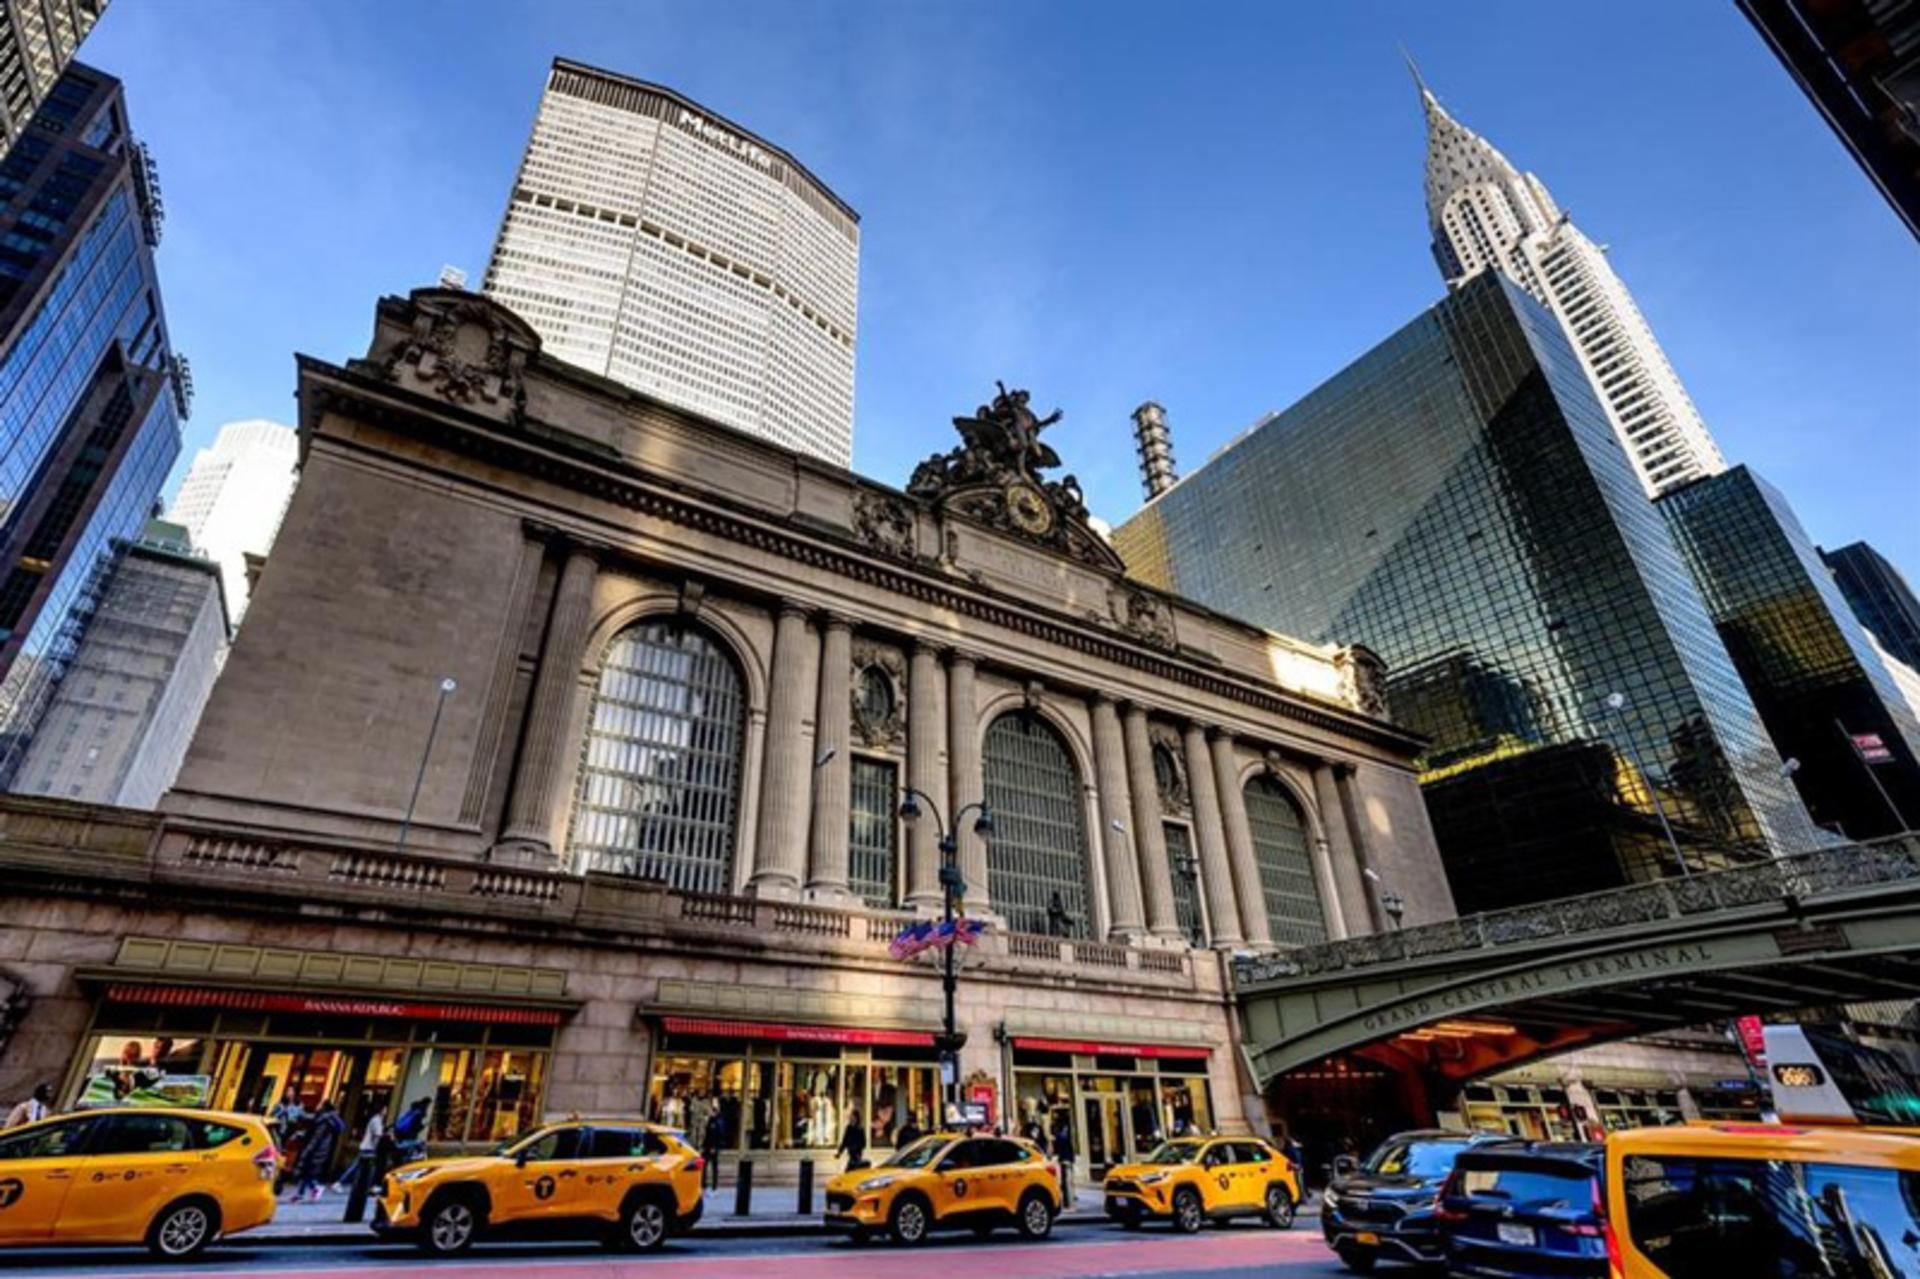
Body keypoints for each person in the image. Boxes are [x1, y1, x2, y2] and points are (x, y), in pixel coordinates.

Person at [290, 1100, 345, 1201]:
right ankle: (302, 1193)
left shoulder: (324, 1121)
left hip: (317, 1151)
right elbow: (310, 1118)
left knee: (307, 1172)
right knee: (307, 1173)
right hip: (321, 1150)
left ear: (323, 1107)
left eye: (319, 1104)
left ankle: (313, 1188)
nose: (317, 1105)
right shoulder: (324, 1118)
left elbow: (316, 1138)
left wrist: (307, 1151)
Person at [330, 1104, 387, 1195]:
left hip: (366, 1147)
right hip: (369, 1148)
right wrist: (383, 1139)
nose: (385, 1111)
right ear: (381, 1110)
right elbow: (378, 1135)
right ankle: (340, 1183)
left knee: (359, 1167)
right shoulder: (377, 1120)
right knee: (363, 1167)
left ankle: (340, 1183)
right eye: (384, 1109)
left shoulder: (375, 1119)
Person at [390, 1097, 431, 1165]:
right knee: (418, 1146)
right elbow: (416, 1128)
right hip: (409, 1137)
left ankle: (398, 1165)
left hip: (400, 1136)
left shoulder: (409, 1113)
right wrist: (423, 1125)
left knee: (401, 1154)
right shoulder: (418, 1115)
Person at [1051, 1113, 1077, 1207]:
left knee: (1068, 1177)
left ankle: (1070, 1196)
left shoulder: (1065, 1132)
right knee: (1067, 1177)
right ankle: (1069, 1196)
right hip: (1065, 1157)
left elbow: (1063, 1145)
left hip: (1065, 1157)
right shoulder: (1065, 1132)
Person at [700, 1108, 725, 1191]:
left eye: (712, 1112)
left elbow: (718, 1136)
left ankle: (714, 1186)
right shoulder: (709, 1121)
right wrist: (703, 1146)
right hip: (706, 1147)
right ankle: (704, 1185)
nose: (710, 1113)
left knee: (714, 1167)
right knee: (704, 1166)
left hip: (713, 1147)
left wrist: (715, 1147)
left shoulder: (717, 1122)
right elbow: (706, 1136)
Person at [836, 1106, 867, 1172]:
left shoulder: (860, 1129)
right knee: (851, 1170)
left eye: (852, 1116)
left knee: (852, 1170)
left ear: (856, 1117)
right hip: (850, 1153)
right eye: (850, 1116)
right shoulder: (849, 1128)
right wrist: (839, 1152)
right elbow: (845, 1141)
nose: (851, 1118)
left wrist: (856, 1148)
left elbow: (864, 1143)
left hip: (857, 1154)